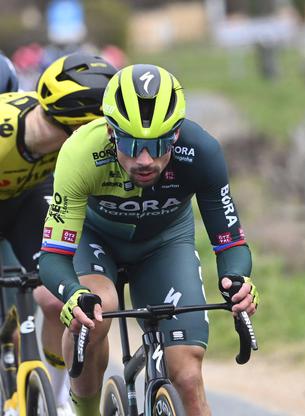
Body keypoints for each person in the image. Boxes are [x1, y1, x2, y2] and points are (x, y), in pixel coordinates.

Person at [39, 64, 259, 416]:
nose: (145, 160)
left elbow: (229, 241)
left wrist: (239, 281)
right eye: (130, 143)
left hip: (164, 243)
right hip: (95, 240)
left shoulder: (201, 151)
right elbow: (52, 256)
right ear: (111, 132)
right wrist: (72, 293)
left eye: (158, 145)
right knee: (97, 309)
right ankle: (85, 411)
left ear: (175, 135)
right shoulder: (80, 152)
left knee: (187, 375)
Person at [0, 52, 117, 415]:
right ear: (81, 125)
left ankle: (59, 395)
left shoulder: (71, 148)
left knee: (54, 299)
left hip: (25, 202)